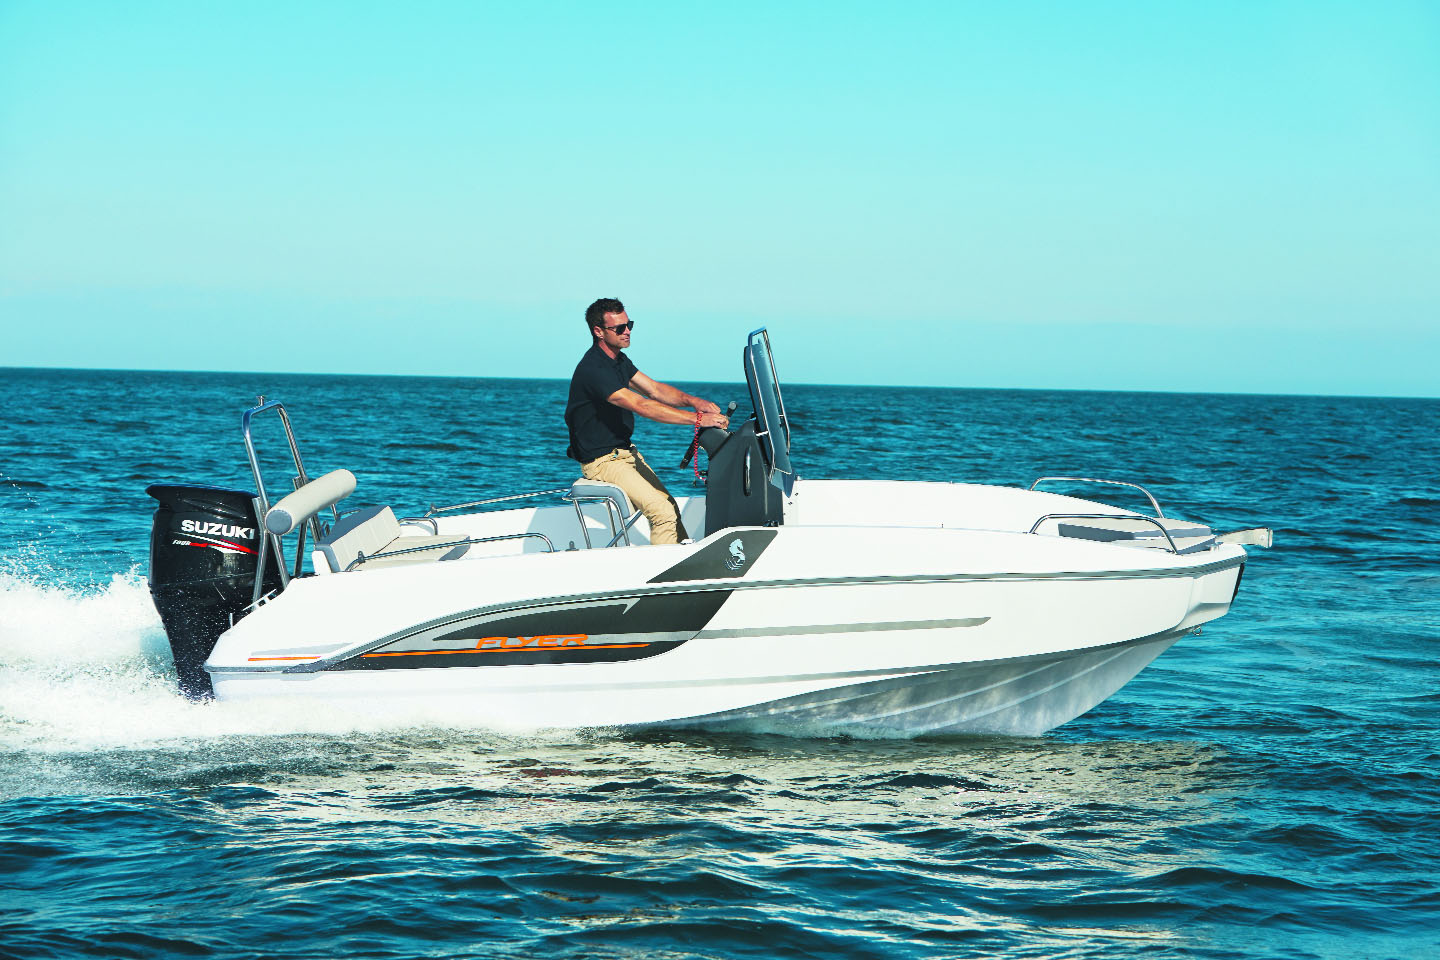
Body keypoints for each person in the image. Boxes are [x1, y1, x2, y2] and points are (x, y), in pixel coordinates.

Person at [565, 298, 729, 545]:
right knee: (662, 513)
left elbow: (654, 390)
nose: (627, 331)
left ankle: (684, 560)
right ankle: (666, 569)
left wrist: (694, 401)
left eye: (629, 324)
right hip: (602, 462)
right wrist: (698, 419)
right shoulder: (594, 369)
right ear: (598, 331)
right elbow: (641, 405)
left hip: (625, 454)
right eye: (619, 328)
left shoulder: (618, 361)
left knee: (669, 506)